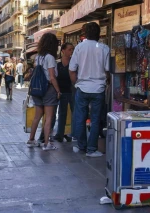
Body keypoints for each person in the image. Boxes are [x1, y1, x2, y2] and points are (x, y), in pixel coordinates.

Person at [69, 22, 110, 157]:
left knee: (80, 118)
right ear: (99, 33)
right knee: (95, 119)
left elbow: (72, 70)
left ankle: (82, 146)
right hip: (98, 88)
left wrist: (77, 83)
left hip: (82, 87)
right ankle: (92, 149)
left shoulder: (79, 48)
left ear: (85, 34)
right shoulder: (104, 48)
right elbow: (108, 70)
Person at [26, 33, 61, 151]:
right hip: (48, 89)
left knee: (37, 116)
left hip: (37, 90)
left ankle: (31, 140)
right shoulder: (50, 58)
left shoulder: (38, 57)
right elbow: (51, 77)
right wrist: (58, 90)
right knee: (49, 118)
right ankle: (46, 143)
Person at [54, 43, 75, 142]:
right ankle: (60, 134)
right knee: (62, 113)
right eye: (69, 49)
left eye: (72, 49)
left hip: (72, 91)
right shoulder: (57, 64)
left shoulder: (74, 63)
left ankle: (73, 134)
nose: (71, 51)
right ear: (63, 51)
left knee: (75, 113)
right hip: (62, 92)